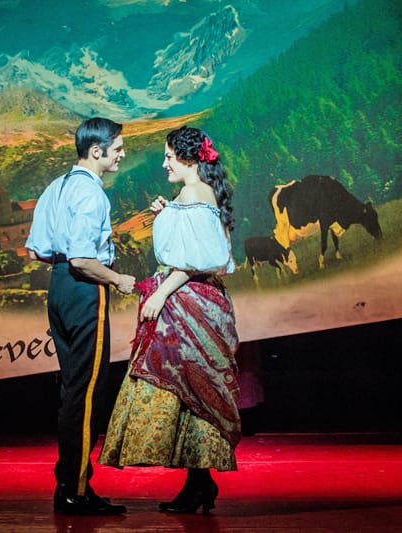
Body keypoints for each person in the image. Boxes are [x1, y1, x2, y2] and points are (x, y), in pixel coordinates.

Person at [98, 125, 241, 514]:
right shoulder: (192, 194)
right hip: (195, 299)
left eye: (168, 157)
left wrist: (160, 293)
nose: (164, 163)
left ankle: (198, 485)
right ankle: (198, 484)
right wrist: (168, 213)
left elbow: (197, 259)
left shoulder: (194, 193)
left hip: (189, 301)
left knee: (186, 389)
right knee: (190, 393)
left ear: (189, 158)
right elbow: (195, 245)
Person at [25, 117, 136, 516]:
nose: (122, 153)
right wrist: (119, 279)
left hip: (59, 288)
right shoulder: (91, 194)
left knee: (74, 389)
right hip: (84, 288)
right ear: (97, 151)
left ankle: (69, 483)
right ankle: (75, 489)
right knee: (88, 392)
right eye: (118, 148)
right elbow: (83, 259)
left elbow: (37, 250)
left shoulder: (57, 186)